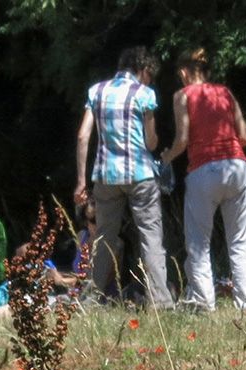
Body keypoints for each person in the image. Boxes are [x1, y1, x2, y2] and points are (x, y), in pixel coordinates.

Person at [74, 46, 174, 309]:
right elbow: (151, 142)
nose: (149, 81)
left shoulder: (97, 91)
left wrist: (81, 181)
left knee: (103, 238)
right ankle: (160, 301)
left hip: (106, 176)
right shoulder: (144, 94)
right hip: (140, 175)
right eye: (149, 75)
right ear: (142, 70)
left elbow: (83, 136)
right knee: (150, 236)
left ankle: (91, 299)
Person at [159, 48, 246, 311]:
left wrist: (167, 157)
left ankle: (204, 302)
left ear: (183, 72)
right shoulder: (225, 93)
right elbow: (245, 137)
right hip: (237, 166)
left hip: (204, 170)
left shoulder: (182, 96)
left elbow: (182, 140)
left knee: (199, 243)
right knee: (240, 241)